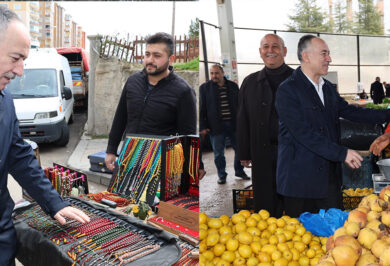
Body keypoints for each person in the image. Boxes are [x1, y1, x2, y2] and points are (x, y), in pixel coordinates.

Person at [0, 7, 90, 265]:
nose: (20, 71)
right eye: (16, 58)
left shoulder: (6, 100)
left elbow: (19, 156)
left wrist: (55, 203)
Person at [275, 35, 390, 218]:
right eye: (324, 53)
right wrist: (342, 153)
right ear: (306, 56)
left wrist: (387, 114)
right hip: (299, 181)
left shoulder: (327, 88)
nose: (329, 58)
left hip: (328, 179)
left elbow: (351, 112)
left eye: (328, 54)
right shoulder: (287, 90)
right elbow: (303, 133)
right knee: (301, 238)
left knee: (334, 236)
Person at [105, 32, 197, 170]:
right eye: (147, 54)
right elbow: (120, 117)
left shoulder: (183, 91)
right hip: (128, 157)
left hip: (160, 164)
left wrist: (190, 168)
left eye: (157, 56)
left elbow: (188, 136)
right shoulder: (132, 82)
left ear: (171, 59)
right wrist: (111, 149)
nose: (150, 60)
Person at [236, 34, 293, 217]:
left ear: (284, 51)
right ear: (260, 52)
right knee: (265, 203)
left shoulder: (298, 79)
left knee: (293, 201)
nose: (270, 50)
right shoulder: (250, 82)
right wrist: (244, 152)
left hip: (293, 153)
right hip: (261, 152)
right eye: (266, 46)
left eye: (275, 46)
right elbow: (243, 118)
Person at [199, 64, 249, 184]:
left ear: (222, 73)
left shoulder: (233, 86)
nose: (214, 76)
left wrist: (244, 122)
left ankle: (239, 171)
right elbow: (202, 108)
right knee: (218, 154)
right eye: (212, 73)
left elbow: (240, 105)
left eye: (216, 73)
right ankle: (221, 175)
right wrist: (203, 126)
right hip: (215, 126)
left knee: (240, 149)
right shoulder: (205, 88)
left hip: (234, 124)